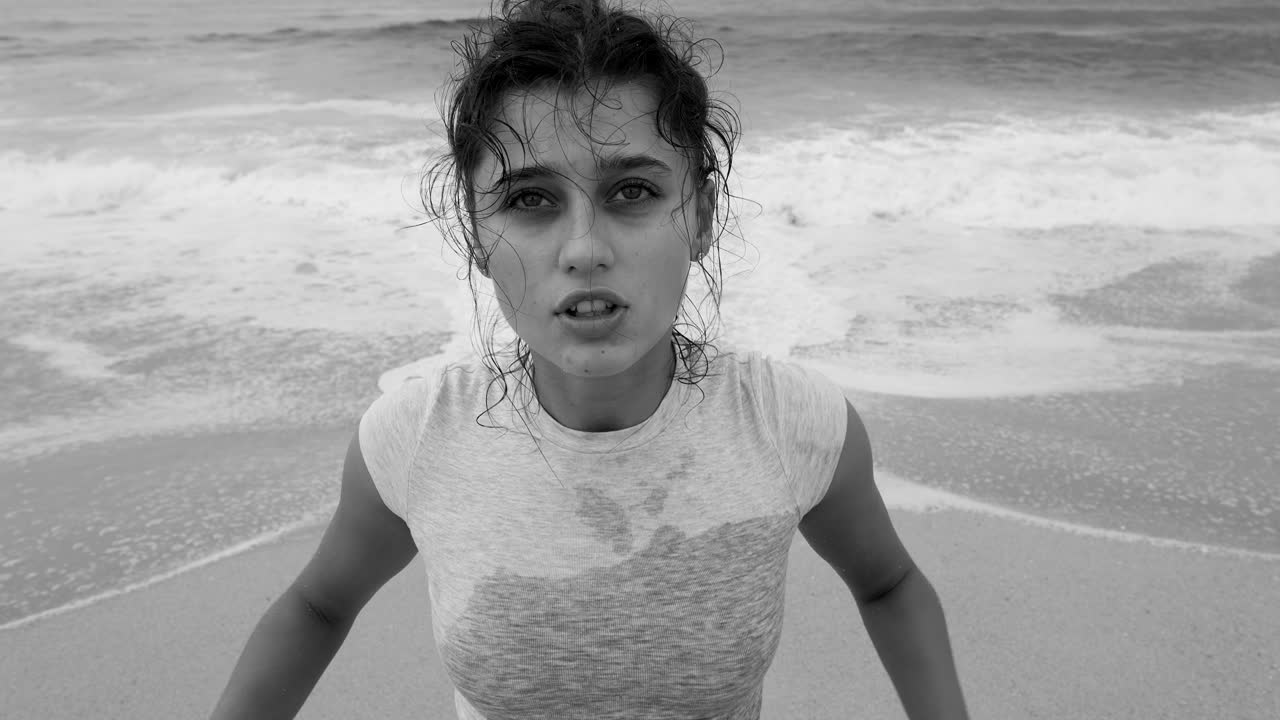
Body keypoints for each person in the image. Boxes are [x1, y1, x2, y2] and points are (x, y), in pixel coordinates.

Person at [209, 1, 970, 718]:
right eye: (530, 201)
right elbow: (318, 604)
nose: (584, 249)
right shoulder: (416, 437)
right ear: (476, 236)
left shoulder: (790, 422)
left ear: (700, 215)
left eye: (632, 190)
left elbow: (891, 583)